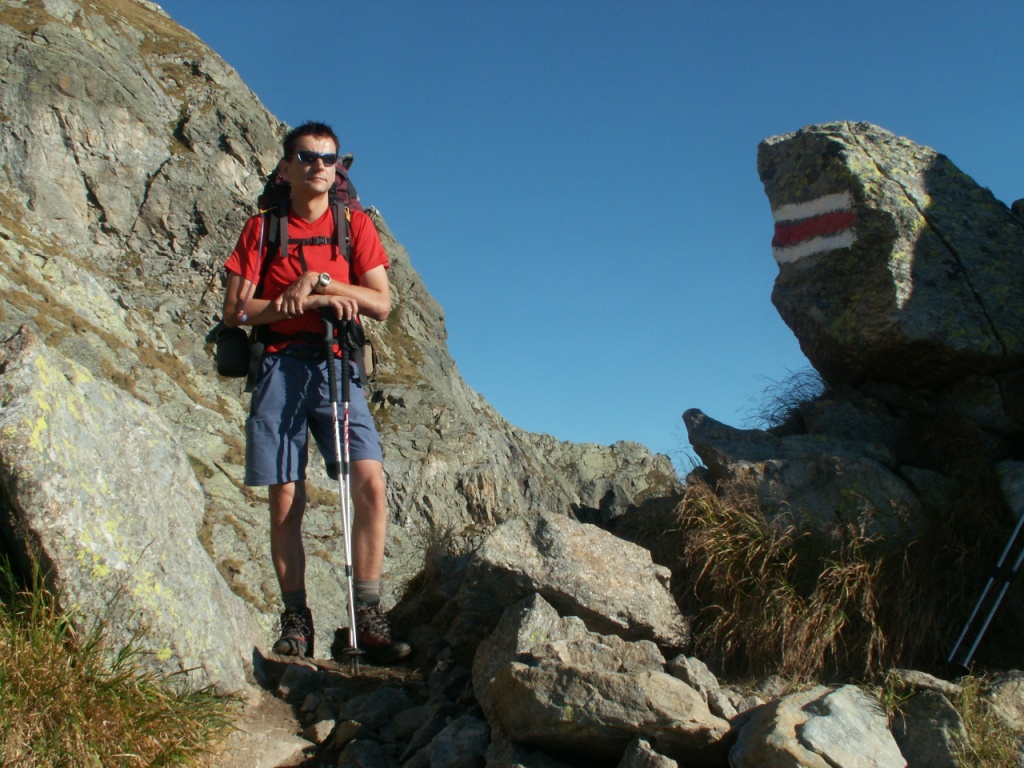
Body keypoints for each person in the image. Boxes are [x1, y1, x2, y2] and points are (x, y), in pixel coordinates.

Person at [221, 121, 410, 664]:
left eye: (328, 158)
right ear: (286, 167)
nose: (319, 166)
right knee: (286, 496)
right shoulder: (263, 228)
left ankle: (365, 614)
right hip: (279, 364)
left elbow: (381, 302)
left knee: (370, 481)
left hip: (336, 364)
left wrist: (322, 283)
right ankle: (296, 618)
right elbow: (235, 310)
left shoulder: (354, 226)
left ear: (337, 168)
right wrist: (300, 302)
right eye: (306, 157)